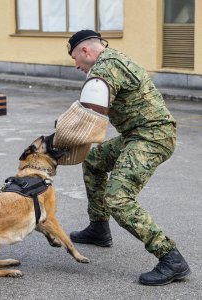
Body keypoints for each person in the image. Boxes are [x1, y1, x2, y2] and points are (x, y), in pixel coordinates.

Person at [65, 29, 191, 286]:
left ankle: (171, 258)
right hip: (137, 133)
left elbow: (88, 115)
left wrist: (59, 141)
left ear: (86, 51)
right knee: (93, 161)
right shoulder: (111, 60)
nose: (76, 65)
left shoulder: (106, 68)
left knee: (118, 198)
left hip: (152, 136)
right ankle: (99, 227)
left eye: (75, 58)